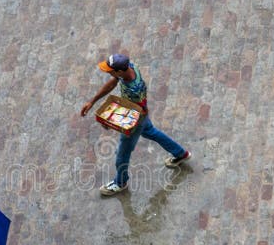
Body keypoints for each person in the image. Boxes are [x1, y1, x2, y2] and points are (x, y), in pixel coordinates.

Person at [80, 53, 191, 196]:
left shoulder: (134, 89)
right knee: (151, 132)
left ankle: (120, 182)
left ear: (120, 71)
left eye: (110, 70)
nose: (108, 72)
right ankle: (181, 154)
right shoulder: (130, 67)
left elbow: (133, 113)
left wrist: (109, 121)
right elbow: (113, 82)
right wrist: (92, 101)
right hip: (140, 113)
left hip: (136, 119)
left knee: (122, 154)